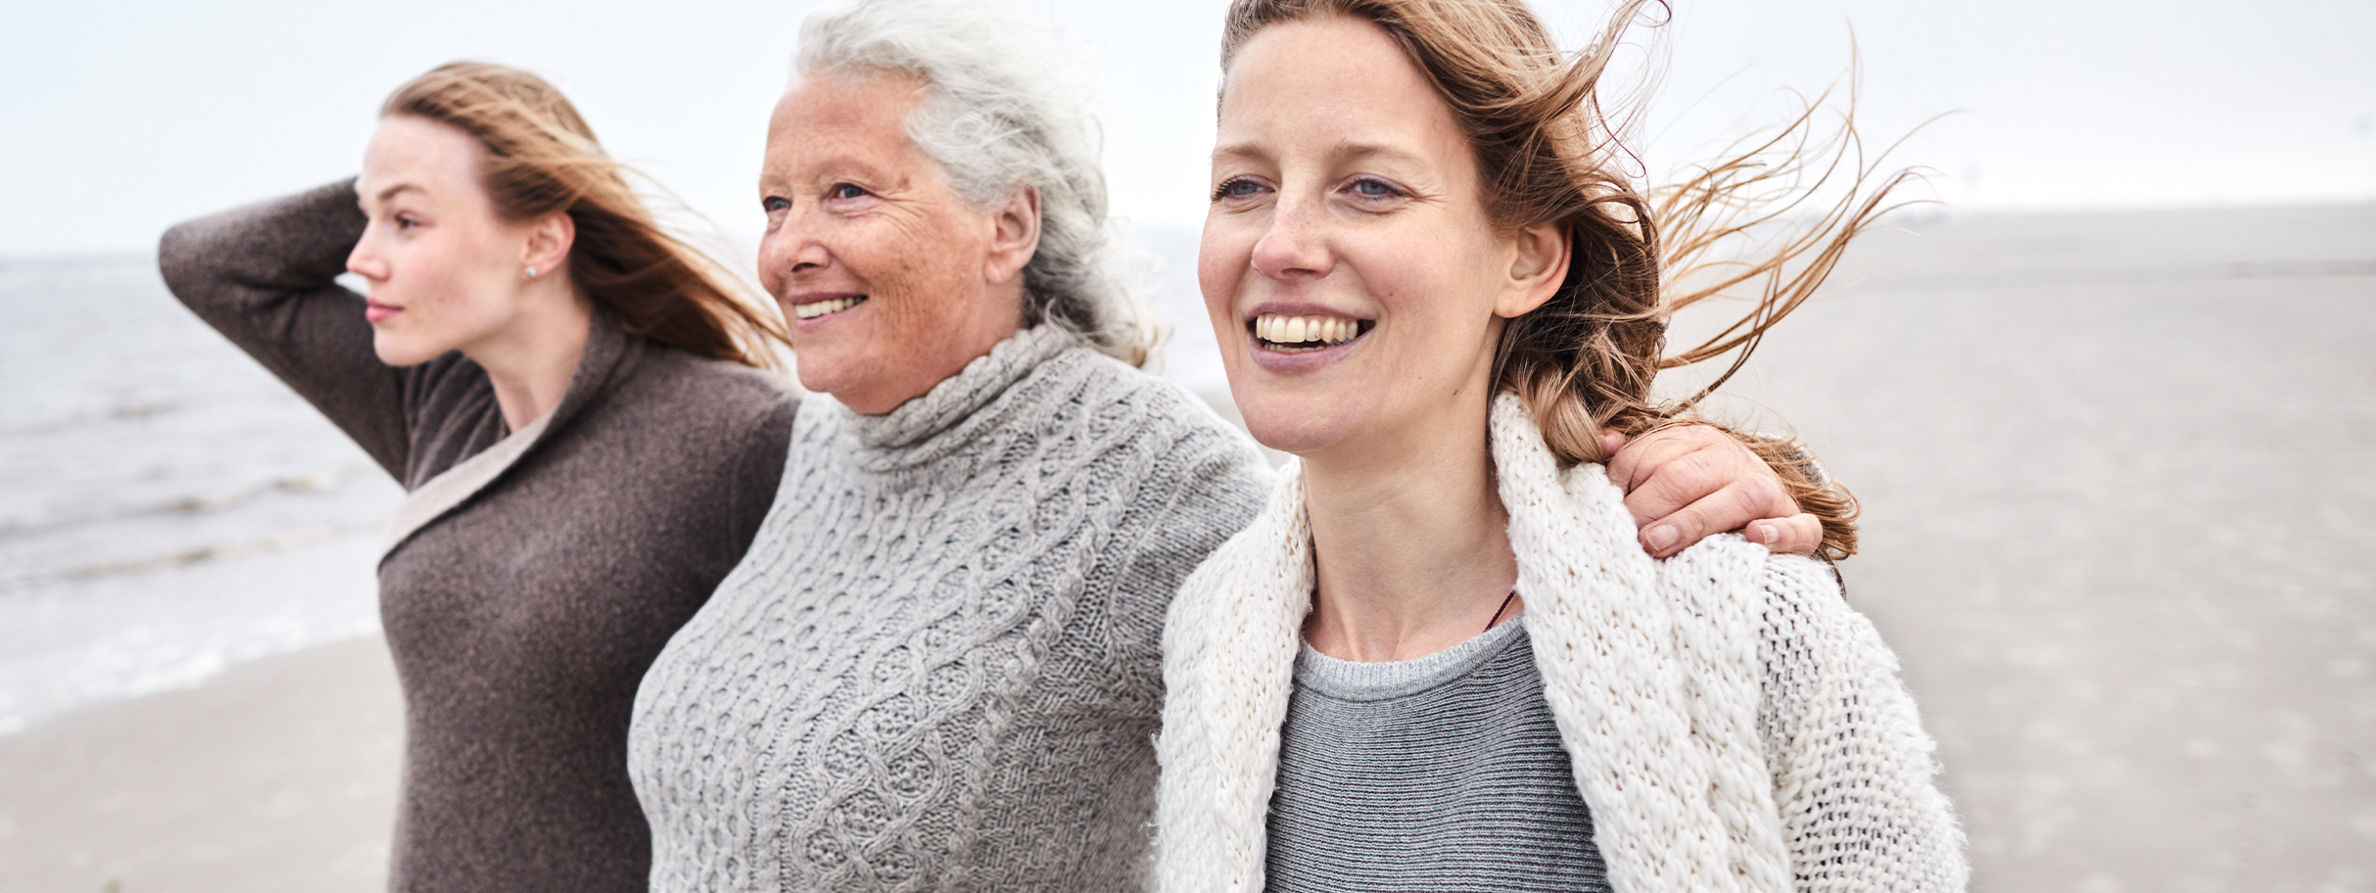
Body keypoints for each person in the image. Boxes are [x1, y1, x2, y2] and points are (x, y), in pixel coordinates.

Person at [620, 0, 1832, 888]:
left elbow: (1387, 527)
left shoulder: (1144, 485)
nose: (786, 245)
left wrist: (1672, 479)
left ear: (1008, 223)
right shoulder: (825, 448)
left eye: (846, 193)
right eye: (775, 203)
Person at [1144, 0, 1968, 889]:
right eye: (1243, 186)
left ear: (1527, 258)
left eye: (1370, 186)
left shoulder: (1736, 622)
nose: (1281, 243)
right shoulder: (1209, 642)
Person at [155, 61, 803, 892]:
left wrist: (487, 165)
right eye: (365, 221)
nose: (360, 258)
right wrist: (396, 176)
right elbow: (205, 266)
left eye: (406, 224)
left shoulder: (735, 432)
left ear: (540, 240)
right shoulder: (436, 401)